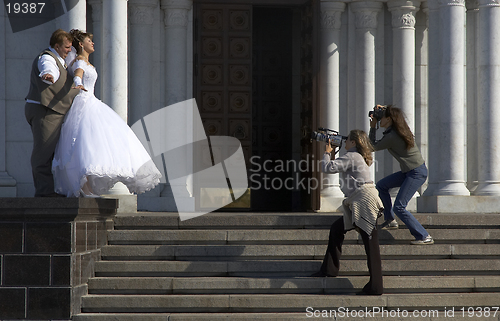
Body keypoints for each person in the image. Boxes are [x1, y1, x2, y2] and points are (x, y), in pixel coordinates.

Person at [51, 29, 161, 197]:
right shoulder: (80, 61)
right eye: (89, 41)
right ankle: (84, 187)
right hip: (84, 103)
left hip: (91, 101)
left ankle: (87, 187)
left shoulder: (84, 61)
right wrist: (78, 82)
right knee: (85, 144)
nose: (92, 43)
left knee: (92, 145)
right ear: (81, 44)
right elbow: (78, 74)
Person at [311, 130, 384, 296]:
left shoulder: (352, 156)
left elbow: (327, 168)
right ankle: (329, 269)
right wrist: (334, 154)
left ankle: (376, 287)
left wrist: (326, 152)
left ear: (354, 142)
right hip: (359, 200)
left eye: (347, 140)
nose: (344, 142)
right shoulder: (357, 156)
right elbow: (338, 166)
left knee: (371, 243)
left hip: (363, 201)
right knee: (337, 230)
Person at [25, 29, 79, 197]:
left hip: (52, 111)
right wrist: (48, 75)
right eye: (67, 47)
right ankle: (44, 193)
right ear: (57, 46)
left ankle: (49, 190)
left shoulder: (61, 59)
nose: (69, 50)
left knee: (51, 152)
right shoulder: (48, 57)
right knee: (43, 152)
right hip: (45, 111)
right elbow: (49, 69)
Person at [369, 104, 433, 245]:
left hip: (416, 173)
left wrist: (373, 126)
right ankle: (390, 220)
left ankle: (424, 236)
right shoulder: (400, 129)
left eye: (382, 117)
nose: (380, 120)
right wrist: (385, 109)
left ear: (390, 119)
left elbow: (371, 146)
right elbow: (396, 115)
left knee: (399, 206)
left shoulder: (392, 136)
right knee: (382, 186)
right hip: (410, 171)